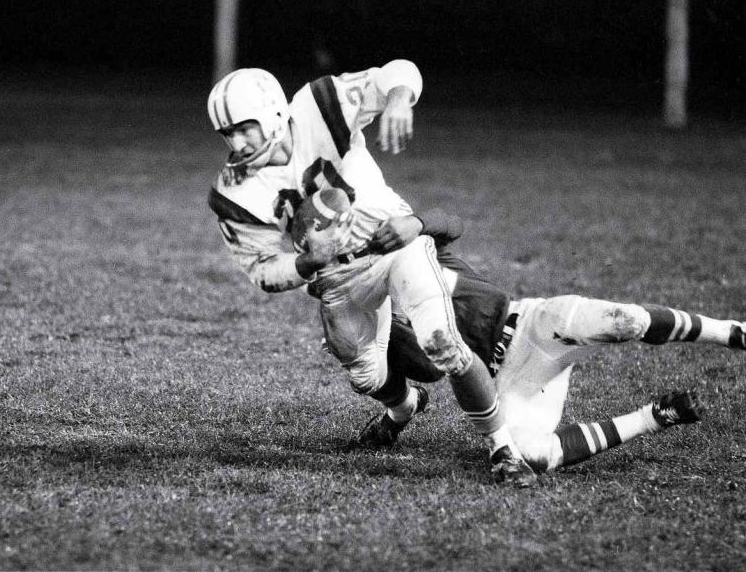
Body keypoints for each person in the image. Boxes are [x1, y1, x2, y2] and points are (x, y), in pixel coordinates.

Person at [206, 62, 538, 487]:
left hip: (395, 245)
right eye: (227, 134)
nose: (236, 141)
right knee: (366, 377)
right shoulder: (232, 190)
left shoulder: (317, 107)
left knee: (443, 343)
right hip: (337, 277)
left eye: (243, 127)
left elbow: (397, 72)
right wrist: (307, 262)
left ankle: (502, 449)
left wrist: (398, 100)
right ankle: (404, 408)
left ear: (272, 109)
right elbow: (263, 270)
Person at [356, 214, 745, 474]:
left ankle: (731, 332)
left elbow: (451, 223)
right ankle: (656, 416)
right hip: (506, 379)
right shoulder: (368, 304)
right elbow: (422, 370)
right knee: (532, 454)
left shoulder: (408, 247)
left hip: (531, 324)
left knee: (626, 321)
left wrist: (416, 221)